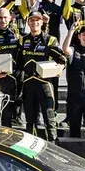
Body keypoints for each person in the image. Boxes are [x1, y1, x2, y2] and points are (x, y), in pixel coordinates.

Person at [17, 11, 67, 142]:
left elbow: (63, 59)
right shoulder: (23, 40)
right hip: (28, 84)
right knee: (30, 121)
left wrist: (60, 68)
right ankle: (30, 148)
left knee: (49, 119)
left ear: (42, 22)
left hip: (44, 83)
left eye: (37, 20)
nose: (35, 23)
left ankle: (52, 147)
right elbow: (17, 62)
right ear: (28, 23)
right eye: (32, 20)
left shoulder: (50, 40)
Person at [0, 8, 23, 128]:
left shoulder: (16, 34)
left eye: (5, 17)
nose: (3, 20)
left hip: (12, 79)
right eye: (0, 17)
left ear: (10, 18)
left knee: (8, 114)